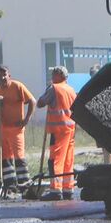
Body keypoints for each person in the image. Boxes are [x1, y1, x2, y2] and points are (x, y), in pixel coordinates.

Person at [0, 65, 36, 198]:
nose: (2, 77)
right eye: (0, 75)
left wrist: (26, 119)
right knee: (5, 157)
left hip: (16, 129)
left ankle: (25, 186)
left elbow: (32, 101)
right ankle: (10, 186)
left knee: (19, 157)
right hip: (1, 129)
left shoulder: (17, 86)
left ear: (9, 75)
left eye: (5, 74)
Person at [37, 67, 79, 200]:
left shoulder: (54, 88)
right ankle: (68, 189)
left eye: (53, 74)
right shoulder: (72, 90)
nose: (51, 77)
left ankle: (56, 190)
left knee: (56, 160)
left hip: (59, 130)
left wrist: (45, 94)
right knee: (68, 160)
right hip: (71, 129)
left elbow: (40, 103)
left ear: (58, 75)